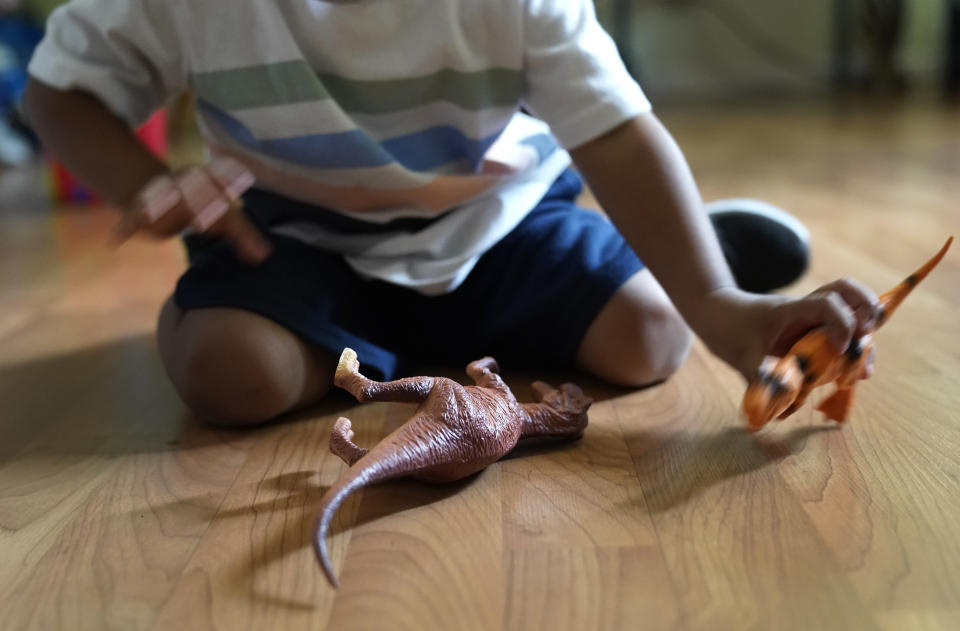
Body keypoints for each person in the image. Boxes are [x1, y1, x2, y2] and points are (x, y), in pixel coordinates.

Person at [23, 0, 880, 427]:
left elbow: (616, 133)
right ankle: (630, 261)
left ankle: (688, 253)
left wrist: (726, 315)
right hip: (290, 232)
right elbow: (60, 91)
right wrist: (142, 182)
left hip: (497, 219)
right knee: (229, 380)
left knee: (654, 338)